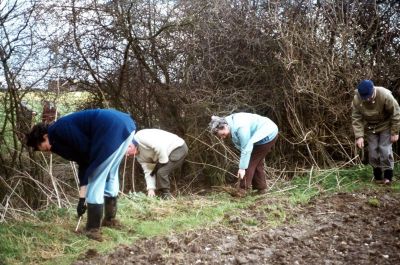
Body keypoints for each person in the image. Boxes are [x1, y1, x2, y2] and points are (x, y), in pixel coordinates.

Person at [25, 109, 137, 241]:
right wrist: (82, 199)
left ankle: (92, 229)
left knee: (95, 179)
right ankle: (110, 220)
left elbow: (85, 154)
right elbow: (82, 159)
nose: (44, 151)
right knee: (111, 174)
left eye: (40, 147)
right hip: (126, 126)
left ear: (44, 137)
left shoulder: (58, 130)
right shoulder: (59, 133)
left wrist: (87, 188)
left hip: (111, 129)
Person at [209, 112, 278, 194]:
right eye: (220, 136)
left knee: (250, 162)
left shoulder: (240, 127)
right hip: (260, 135)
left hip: (268, 133)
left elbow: (246, 148)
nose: (223, 138)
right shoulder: (228, 122)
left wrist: (242, 168)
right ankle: (261, 188)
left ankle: (242, 190)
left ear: (225, 126)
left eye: (223, 134)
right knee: (256, 162)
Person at [352, 79, 400, 184]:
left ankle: (388, 177)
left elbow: (396, 113)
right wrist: (359, 136)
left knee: (385, 150)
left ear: (373, 90)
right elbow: (356, 117)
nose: (367, 99)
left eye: (369, 96)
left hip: (385, 126)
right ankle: (378, 177)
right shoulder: (357, 99)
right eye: (365, 98)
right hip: (370, 127)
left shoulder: (385, 95)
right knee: (373, 152)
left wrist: (395, 132)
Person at [126, 129, 188, 199]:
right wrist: (150, 189)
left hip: (178, 147)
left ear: (130, 146)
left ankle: (166, 196)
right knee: (157, 172)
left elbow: (159, 147)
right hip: (166, 155)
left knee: (161, 172)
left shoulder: (140, 136)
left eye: (127, 153)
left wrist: (162, 163)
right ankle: (163, 196)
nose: (127, 156)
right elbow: (148, 171)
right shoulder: (139, 157)